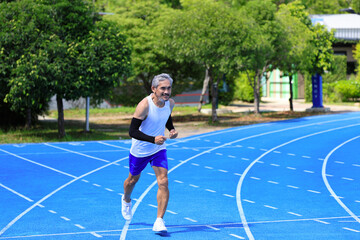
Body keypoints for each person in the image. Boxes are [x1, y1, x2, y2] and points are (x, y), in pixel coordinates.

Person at [121, 73, 178, 233]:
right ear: (153, 89)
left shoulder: (170, 103)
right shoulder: (144, 105)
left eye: (169, 88)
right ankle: (126, 199)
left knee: (163, 181)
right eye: (163, 88)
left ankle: (159, 220)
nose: (167, 92)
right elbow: (132, 131)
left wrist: (171, 129)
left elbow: (166, 117)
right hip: (140, 150)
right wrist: (153, 139)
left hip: (158, 149)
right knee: (132, 180)